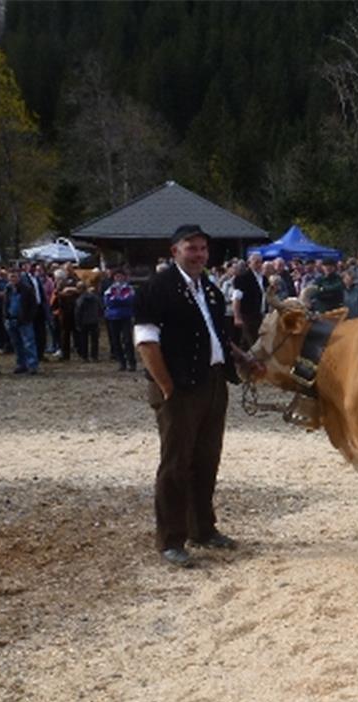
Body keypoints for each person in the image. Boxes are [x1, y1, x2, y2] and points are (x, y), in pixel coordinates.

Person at [133, 224, 260, 568]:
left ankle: (202, 529)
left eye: (203, 248)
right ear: (175, 250)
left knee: (206, 461)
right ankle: (171, 540)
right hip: (178, 390)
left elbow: (216, 335)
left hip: (213, 383)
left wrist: (241, 357)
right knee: (176, 465)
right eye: (192, 248)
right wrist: (167, 387)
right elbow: (146, 342)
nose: (199, 254)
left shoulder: (211, 289)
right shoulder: (157, 289)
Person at [4, 268, 39, 374]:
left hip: (24, 321)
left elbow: (33, 305)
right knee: (17, 344)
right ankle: (21, 364)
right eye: (10, 277)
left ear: (19, 277)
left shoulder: (27, 289)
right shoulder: (8, 289)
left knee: (28, 343)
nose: (12, 279)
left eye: (14, 276)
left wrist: (28, 318)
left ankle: (32, 365)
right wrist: (5, 316)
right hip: (11, 320)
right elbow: (5, 304)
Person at [104, 269, 137, 371]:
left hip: (125, 316)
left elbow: (129, 300)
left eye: (120, 276)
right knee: (115, 340)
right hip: (112, 317)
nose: (119, 278)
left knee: (127, 340)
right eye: (116, 276)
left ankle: (131, 362)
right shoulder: (110, 289)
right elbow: (108, 302)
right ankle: (121, 362)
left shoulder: (129, 288)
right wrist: (119, 300)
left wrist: (117, 300)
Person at [232, 251, 267, 348]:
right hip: (247, 315)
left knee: (253, 341)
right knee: (251, 342)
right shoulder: (242, 278)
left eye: (260, 262)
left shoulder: (263, 278)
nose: (259, 265)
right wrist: (237, 317)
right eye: (256, 262)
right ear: (249, 263)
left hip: (260, 314)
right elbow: (236, 299)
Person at [74, 281, 102, 361]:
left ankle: (84, 356)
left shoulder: (80, 299)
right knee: (95, 340)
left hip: (83, 321)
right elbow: (100, 307)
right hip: (94, 320)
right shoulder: (95, 297)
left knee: (83, 340)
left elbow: (78, 312)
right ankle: (94, 356)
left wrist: (77, 323)